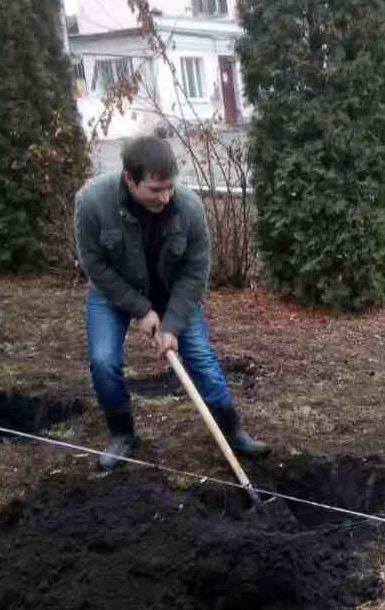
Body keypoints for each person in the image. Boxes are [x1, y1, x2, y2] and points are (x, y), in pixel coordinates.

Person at [74, 135, 269, 469]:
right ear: (129, 180)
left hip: (172, 294)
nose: (164, 197)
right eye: (154, 190)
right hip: (115, 291)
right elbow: (95, 267)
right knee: (103, 359)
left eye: (169, 187)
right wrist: (140, 310)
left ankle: (233, 432)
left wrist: (172, 326)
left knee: (202, 359)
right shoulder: (92, 202)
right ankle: (122, 433)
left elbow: (194, 275)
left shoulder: (189, 208)